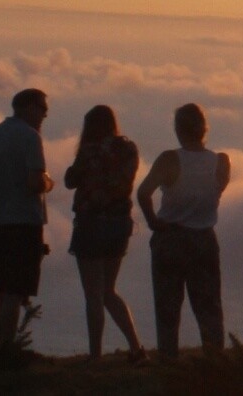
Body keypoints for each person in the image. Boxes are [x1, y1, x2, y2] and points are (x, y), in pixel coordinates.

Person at [136, 103, 230, 358]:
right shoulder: (220, 162)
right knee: (209, 304)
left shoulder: (169, 159)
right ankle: (214, 357)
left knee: (167, 304)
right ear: (203, 129)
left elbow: (143, 192)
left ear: (178, 129)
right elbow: (217, 191)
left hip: (171, 237)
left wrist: (153, 221)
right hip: (205, 238)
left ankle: (168, 358)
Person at [63, 105, 146, 363]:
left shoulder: (89, 151)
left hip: (91, 224)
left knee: (94, 294)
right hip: (118, 225)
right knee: (109, 290)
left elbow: (70, 180)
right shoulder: (130, 149)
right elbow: (124, 183)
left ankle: (95, 355)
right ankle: (136, 347)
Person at [0, 89, 53, 350]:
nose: (45, 113)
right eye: (42, 108)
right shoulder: (31, 137)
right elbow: (34, 182)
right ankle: (5, 350)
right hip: (24, 222)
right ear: (28, 107)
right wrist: (48, 183)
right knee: (15, 292)